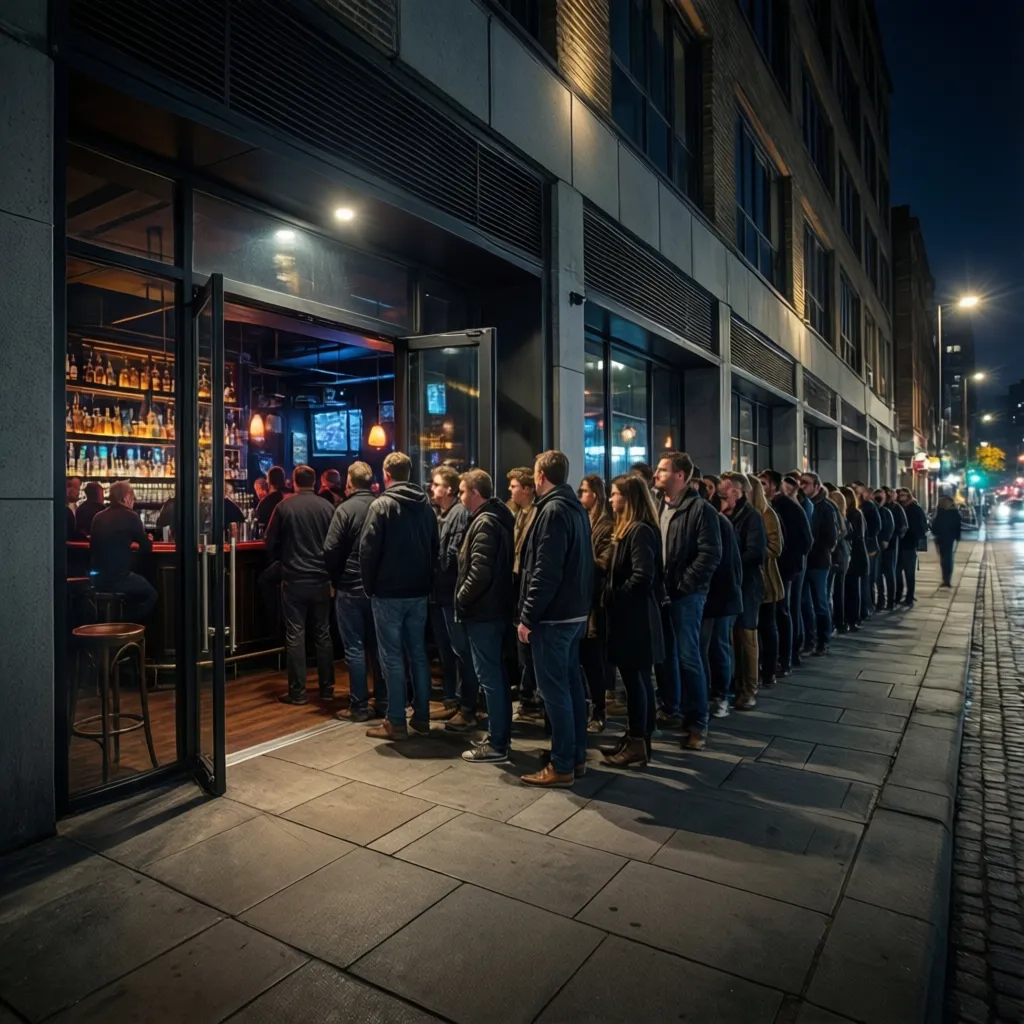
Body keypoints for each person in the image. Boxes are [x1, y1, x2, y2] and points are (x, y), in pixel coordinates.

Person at [517, 450, 593, 788]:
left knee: (555, 692)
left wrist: (528, 617)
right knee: (571, 688)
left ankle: (562, 764)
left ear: (541, 476)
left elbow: (545, 571)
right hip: (573, 614)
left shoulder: (552, 510)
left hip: (554, 618)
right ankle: (575, 757)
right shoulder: (576, 508)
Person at [360, 451, 438, 740]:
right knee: (418, 654)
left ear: (387, 474)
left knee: (391, 657)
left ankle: (395, 721)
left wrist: (370, 587)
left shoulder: (381, 506)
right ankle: (422, 717)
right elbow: (435, 548)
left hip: (388, 592)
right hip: (418, 591)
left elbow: (367, 551)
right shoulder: (426, 507)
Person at [656, 452, 722, 749]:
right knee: (666, 655)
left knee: (687, 656)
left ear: (680, 475)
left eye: (662, 470)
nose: (657, 474)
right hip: (662, 593)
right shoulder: (659, 505)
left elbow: (710, 553)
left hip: (686, 595)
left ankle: (698, 722)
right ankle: (671, 706)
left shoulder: (699, 509)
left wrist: (684, 585)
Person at [602, 475, 664, 766]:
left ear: (628, 499)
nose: (611, 499)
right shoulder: (631, 529)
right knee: (636, 680)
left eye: (614, 494)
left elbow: (642, 576)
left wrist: (616, 597)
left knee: (636, 681)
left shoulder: (638, 531)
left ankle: (638, 740)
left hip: (635, 619)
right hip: (632, 616)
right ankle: (636, 737)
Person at [455, 470, 515, 763]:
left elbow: (480, 571)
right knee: (495, 677)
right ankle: (499, 737)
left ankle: (497, 744)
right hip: (493, 610)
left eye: (462, 491)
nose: (459, 495)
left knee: (490, 678)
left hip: (484, 612)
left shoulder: (485, 522)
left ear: (476, 493)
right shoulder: (496, 517)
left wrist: (460, 598)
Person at [264, 464, 335, 705]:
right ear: (314, 482)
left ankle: (298, 692)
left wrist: (281, 559)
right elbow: (336, 544)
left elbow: (269, 541)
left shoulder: (283, 507)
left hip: (294, 579)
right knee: (323, 634)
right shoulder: (328, 507)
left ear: (293, 482)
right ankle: (327, 689)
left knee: (295, 634)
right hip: (321, 579)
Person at [324, 461, 382, 721]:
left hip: (349, 586)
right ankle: (384, 701)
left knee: (355, 647)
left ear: (349, 482)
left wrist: (335, 578)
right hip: (379, 588)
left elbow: (330, 548)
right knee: (379, 647)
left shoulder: (345, 509)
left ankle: (358, 706)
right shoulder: (383, 506)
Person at [427, 465, 474, 726]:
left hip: (449, 594)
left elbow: (450, 558)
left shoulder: (457, 514)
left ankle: (462, 704)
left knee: (458, 651)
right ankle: (451, 700)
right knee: (447, 651)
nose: (432, 489)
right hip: (439, 594)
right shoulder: (441, 514)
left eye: (436, 484)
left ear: (449, 489)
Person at [717, 473, 766, 710]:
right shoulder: (725, 515)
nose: (720, 495)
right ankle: (736, 685)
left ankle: (749, 688)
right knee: (731, 637)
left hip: (747, 585)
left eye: (724, 491)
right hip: (732, 584)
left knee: (746, 637)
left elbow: (756, 552)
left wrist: (731, 563)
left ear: (737, 492)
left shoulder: (751, 516)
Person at [759, 470, 810, 677]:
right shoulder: (764, 507)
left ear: (773, 485)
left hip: (785, 569)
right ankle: (772, 659)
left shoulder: (788, 507)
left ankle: (786, 659)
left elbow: (805, 540)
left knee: (783, 611)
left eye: (763, 483)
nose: (761, 487)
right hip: (771, 569)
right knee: (772, 614)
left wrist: (788, 562)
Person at [700, 492, 742, 718]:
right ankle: (712, 695)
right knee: (708, 647)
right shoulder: (717, 522)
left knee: (718, 646)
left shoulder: (719, 523)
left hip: (720, 596)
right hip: (714, 596)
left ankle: (721, 695)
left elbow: (726, 565)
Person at [89, 481, 157, 618]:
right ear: (126, 497)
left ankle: (116, 618)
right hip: (119, 578)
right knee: (152, 595)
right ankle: (125, 621)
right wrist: (148, 539)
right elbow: (147, 547)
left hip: (97, 579)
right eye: (132, 496)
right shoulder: (131, 516)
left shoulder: (98, 517)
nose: (133, 500)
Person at [578, 474, 613, 732]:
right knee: (584, 659)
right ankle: (589, 705)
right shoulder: (585, 520)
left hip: (596, 601)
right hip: (581, 599)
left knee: (594, 659)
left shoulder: (607, 526)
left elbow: (604, 563)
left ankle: (599, 709)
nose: (582, 497)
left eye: (585, 492)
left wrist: (579, 561)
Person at [507, 467, 540, 719]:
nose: (510, 489)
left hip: (527, 584)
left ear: (528, 489)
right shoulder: (516, 513)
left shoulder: (537, 515)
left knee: (528, 643)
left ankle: (531, 695)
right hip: (517, 582)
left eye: (515, 486)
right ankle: (526, 689)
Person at [749, 474, 784, 690]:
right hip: (753, 580)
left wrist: (753, 553)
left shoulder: (766, 513)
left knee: (767, 627)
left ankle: (769, 670)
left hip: (767, 580)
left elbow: (776, 547)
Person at [799, 471, 839, 655]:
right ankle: (809, 640)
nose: (802, 486)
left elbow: (831, 536)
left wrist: (816, 546)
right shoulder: (801, 505)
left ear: (816, 486)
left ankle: (823, 641)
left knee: (820, 601)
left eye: (806, 483)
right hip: (804, 561)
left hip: (819, 561)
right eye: (801, 483)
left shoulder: (826, 507)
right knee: (805, 602)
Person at [896, 487, 929, 606]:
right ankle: (898, 595)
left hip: (910, 545)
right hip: (900, 545)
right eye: (900, 495)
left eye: (904, 495)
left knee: (909, 573)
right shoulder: (900, 508)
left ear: (909, 496)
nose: (902, 497)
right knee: (898, 572)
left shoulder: (915, 509)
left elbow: (921, 528)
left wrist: (911, 535)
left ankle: (909, 596)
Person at [854, 482, 881, 619]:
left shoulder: (869, 506)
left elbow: (876, 526)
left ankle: (868, 607)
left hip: (869, 547)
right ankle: (865, 608)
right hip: (862, 548)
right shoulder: (858, 507)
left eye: (857, 491)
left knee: (867, 580)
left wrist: (868, 538)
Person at [826, 488, 850, 635]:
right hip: (843, 557)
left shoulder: (835, 518)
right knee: (838, 591)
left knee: (831, 592)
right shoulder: (843, 517)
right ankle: (839, 622)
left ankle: (834, 623)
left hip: (837, 558)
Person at [931, 493, 961, 587]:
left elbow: (956, 526)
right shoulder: (948, 512)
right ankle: (946, 579)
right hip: (944, 538)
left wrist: (935, 532)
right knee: (946, 558)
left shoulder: (948, 512)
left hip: (945, 538)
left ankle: (946, 579)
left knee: (946, 559)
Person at [874, 489, 896, 610]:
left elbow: (890, 527)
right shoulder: (876, 510)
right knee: (878, 576)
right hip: (877, 548)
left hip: (888, 548)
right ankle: (881, 600)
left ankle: (890, 601)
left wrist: (886, 540)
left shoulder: (887, 511)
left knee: (888, 574)